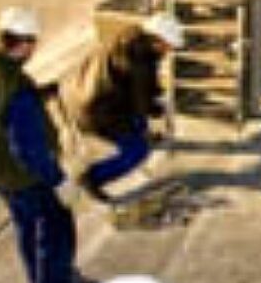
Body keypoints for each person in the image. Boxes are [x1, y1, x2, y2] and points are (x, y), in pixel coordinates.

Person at [0, 4, 94, 283]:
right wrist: (59, 182)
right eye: (33, 43)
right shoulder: (15, 90)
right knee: (56, 227)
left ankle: (44, 282)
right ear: (23, 44)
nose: (34, 49)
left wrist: (37, 96)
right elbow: (28, 149)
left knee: (26, 226)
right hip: (20, 176)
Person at [69, 12, 185, 202]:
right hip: (100, 114)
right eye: (169, 46)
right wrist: (158, 108)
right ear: (158, 40)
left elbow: (139, 86)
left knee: (139, 119)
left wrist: (153, 96)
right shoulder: (141, 63)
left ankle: (141, 134)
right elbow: (142, 102)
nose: (169, 51)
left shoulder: (130, 40)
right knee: (137, 152)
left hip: (86, 98)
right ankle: (92, 177)